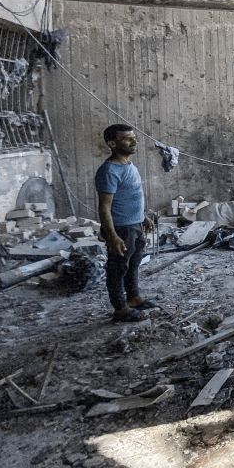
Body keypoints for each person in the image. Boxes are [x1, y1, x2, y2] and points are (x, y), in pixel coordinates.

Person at [96, 124, 157, 323]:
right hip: (122, 229)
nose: (134, 141)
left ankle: (133, 298)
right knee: (117, 268)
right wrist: (112, 236)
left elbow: (131, 196)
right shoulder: (109, 171)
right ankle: (120, 309)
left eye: (134, 137)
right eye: (127, 138)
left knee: (133, 264)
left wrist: (143, 216)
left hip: (135, 225)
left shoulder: (129, 165)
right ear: (112, 144)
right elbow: (105, 207)